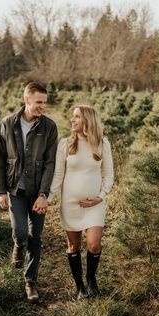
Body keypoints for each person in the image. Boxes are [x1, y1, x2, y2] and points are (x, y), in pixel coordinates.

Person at [0, 82, 58, 304]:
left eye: (45, 102)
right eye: (39, 101)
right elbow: (0, 159)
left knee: (36, 237)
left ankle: (30, 282)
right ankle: (17, 245)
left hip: (37, 191)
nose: (43, 106)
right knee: (21, 233)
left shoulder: (49, 127)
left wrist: (44, 194)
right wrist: (1, 190)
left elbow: (50, 163)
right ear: (27, 99)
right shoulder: (7, 124)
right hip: (15, 189)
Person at [48, 104, 114, 300]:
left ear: (87, 120)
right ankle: (80, 287)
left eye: (76, 116)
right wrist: (48, 198)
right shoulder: (65, 144)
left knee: (94, 245)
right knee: (73, 246)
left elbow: (108, 175)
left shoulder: (102, 143)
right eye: (72, 116)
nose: (72, 120)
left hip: (95, 205)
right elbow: (58, 176)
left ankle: (91, 279)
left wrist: (100, 197)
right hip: (71, 205)